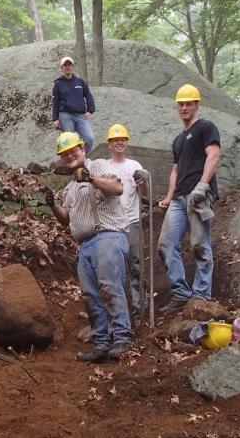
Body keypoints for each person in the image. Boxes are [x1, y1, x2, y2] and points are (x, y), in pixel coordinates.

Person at [46, 131, 133, 362]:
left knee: (109, 286)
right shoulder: (70, 187)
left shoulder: (99, 166)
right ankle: (102, 344)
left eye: (73, 151)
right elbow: (66, 219)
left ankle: (122, 338)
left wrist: (90, 178)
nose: (69, 156)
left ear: (83, 149)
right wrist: (52, 204)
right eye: (64, 154)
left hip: (107, 235)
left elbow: (117, 188)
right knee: (91, 295)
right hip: (84, 245)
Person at [158, 84, 221, 313]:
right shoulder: (178, 140)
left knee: (199, 244)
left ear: (197, 104)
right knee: (166, 244)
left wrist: (203, 185)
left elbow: (213, 155)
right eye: (181, 103)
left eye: (189, 103)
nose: (184, 107)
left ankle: (201, 296)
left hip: (199, 196)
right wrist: (168, 197)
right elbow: (175, 170)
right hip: (179, 198)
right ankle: (181, 294)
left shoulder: (206, 127)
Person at [106, 124, 150, 323]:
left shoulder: (135, 166)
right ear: (109, 144)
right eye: (115, 140)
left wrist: (144, 181)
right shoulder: (105, 167)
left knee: (137, 266)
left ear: (127, 142)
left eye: (122, 139)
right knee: (116, 269)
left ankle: (140, 310)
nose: (119, 143)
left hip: (132, 222)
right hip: (112, 224)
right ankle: (119, 314)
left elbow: (145, 195)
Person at [51, 56, 96, 153]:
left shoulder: (80, 82)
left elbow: (88, 96)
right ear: (61, 68)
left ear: (72, 66)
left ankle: (82, 159)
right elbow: (55, 102)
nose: (67, 67)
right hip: (65, 116)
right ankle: (72, 163)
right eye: (65, 65)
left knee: (89, 138)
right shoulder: (58, 84)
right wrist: (55, 119)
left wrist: (90, 110)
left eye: (69, 64)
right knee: (70, 142)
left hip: (80, 115)